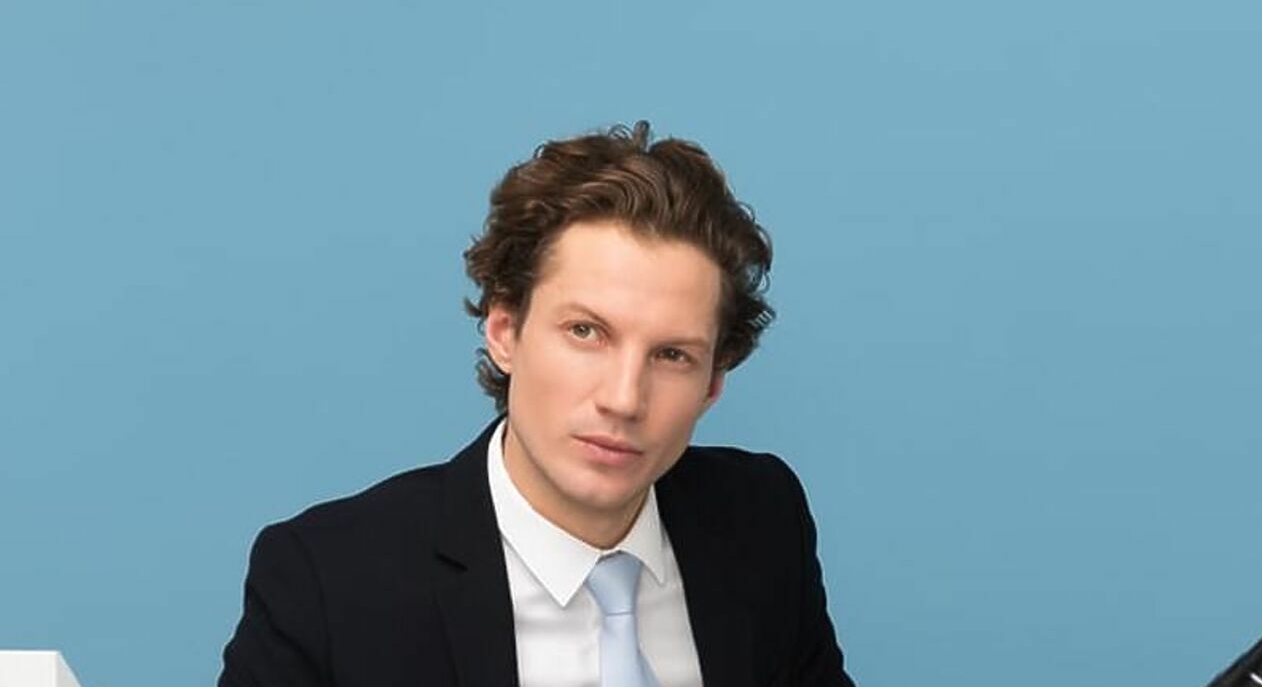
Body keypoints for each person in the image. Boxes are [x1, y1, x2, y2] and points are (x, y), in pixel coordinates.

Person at [217, 122, 856, 686]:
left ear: (714, 383)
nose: (623, 399)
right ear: (504, 332)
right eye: (586, 332)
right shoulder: (328, 584)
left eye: (671, 355)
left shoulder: (762, 522)